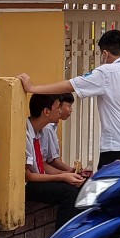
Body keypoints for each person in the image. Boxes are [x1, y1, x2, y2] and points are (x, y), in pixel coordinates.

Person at [20, 28, 120, 166]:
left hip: (119, 146)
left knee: (107, 185)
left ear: (105, 53)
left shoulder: (106, 72)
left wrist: (33, 88)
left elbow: (70, 85)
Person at [24, 93, 85, 228]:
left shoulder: (39, 132)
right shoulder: (24, 134)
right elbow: (28, 176)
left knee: (78, 187)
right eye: (58, 107)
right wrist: (62, 177)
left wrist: (68, 174)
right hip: (26, 186)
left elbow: (42, 164)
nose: (60, 111)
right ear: (46, 111)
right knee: (69, 193)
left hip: (37, 179)